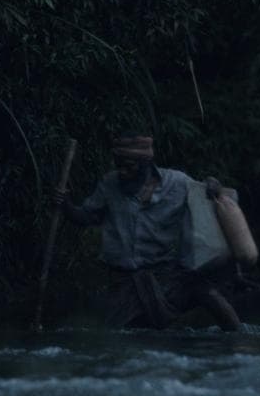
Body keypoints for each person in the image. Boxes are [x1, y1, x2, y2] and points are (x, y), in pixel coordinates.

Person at [53, 133, 242, 331]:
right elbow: (86, 216)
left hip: (167, 276)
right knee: (116, 333)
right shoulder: (110, 184)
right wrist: (66, 205)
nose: (123, 172)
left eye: (129, 166)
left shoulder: (177, 183)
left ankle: (240, 340)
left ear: (146, 164)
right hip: (125, 282)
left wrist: (213, 183)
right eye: (119, 166)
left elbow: (210, 196)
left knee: (209, 294)